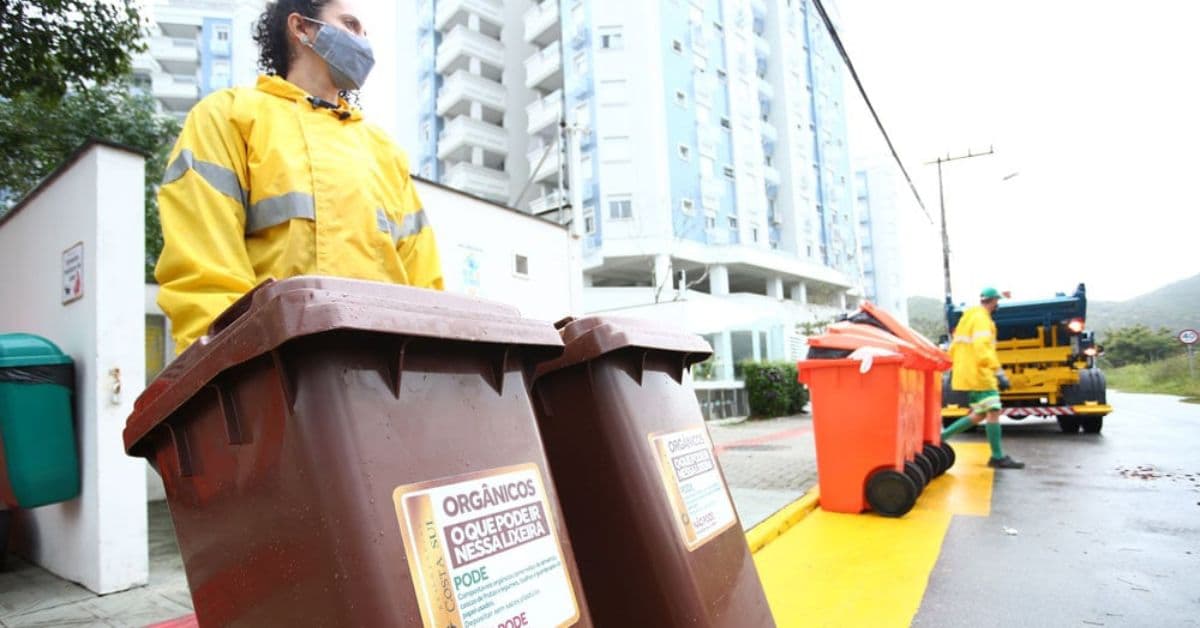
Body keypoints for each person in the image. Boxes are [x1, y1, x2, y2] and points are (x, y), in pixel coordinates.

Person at [155, 0, 442, 353]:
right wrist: (238, 373)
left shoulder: (384, 151)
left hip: (386, 376)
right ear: (302, 28)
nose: (362, 42)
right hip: (278, 372)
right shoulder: (229, 117)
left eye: (365, 33)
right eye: (350, 25)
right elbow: (205, 276)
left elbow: (426, 288)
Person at [941, 287, 1025, 469]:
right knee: (993, 410)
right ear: (993, 301)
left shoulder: (969, 317)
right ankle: (997, 456)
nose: (998, 305)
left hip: (970, 371)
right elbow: (982, 348)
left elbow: (955, 347)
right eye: (997, 301)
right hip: (981, 372)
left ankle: (939, 439)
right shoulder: (982, 319)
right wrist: (999, 372)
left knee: (979, 414)